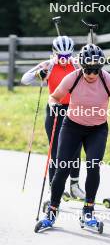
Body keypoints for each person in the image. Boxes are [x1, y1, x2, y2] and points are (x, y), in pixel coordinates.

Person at [36, 43, 110, 230]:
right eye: (88, 69)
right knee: (62, 168)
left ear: (101, 67)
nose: (92, 74)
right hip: (72, 127)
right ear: (82, 66)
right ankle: (52, 213)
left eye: (96, 69)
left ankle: (88, 212)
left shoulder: (108, 80)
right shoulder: (73, 78)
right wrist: (54, 105)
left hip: (97, 129)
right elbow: (54, 97)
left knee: (93, 166)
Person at [21, 36, 85, 199]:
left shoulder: (76, 64)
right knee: (55, 150)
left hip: (73, 110)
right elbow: (24, 80)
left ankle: (74, 185)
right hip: (54, 110)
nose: (64, 60)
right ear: (55, 53)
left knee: (76, 149)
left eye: (67, 56)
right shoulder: (48, 65)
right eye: (61, 56)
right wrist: (38, 73)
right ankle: (53, 187)